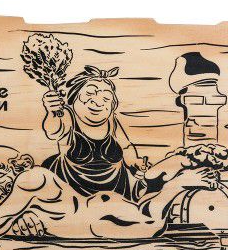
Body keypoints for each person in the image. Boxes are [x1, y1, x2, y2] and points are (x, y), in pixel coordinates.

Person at [0, 145, 223, 240]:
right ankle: (171, 175)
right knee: (147, 213)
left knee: (152, 224)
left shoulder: (29, 180)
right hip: (97, 210)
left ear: (17, 167)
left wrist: (15, 220)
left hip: (93, 218)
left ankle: (177, 184)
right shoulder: (30, 189)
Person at [41, 65, 148, 202]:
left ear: (112, 105)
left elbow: (126, 146)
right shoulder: (68, 115)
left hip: (116, 189)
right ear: (74, 96)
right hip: (72, 190)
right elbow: (53, 131)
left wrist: (134, 162)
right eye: (90, 94)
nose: (98, 102)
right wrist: (52, 111)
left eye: (106, 98)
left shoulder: (111, 121)